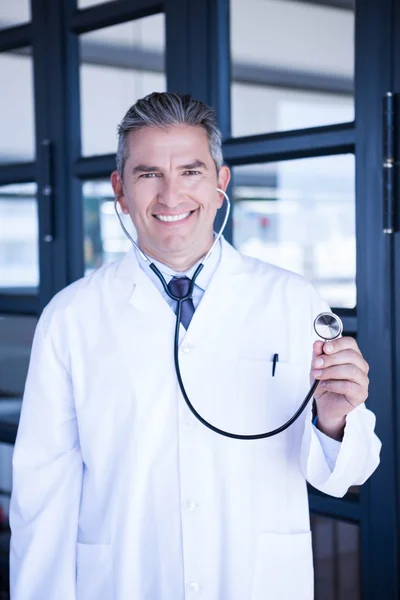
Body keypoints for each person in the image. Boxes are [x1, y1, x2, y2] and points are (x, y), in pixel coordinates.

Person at [10, 92, 381, 600]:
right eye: (148, 175)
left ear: (220, 182)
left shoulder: (293, 299)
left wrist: (334, 421)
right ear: (119, 189)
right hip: (124, 582)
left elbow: (347, 474)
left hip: (256, 581)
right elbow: (42, 498)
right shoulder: (71, 318)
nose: (170, 196)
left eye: (190, 171)